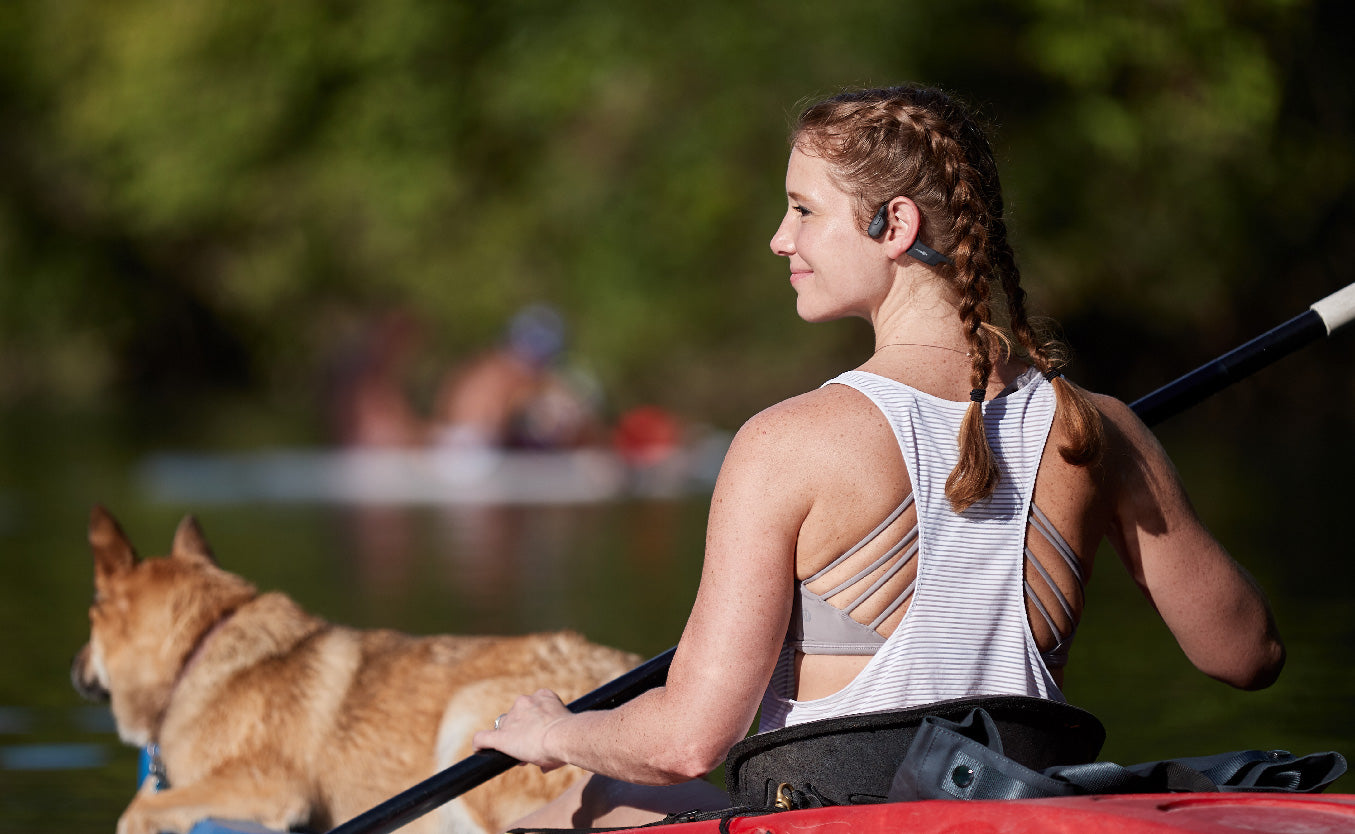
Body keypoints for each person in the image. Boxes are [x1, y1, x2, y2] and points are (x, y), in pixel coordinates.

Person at [472, 84, 1285, 828]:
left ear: (893, 226)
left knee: (570, 806)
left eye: (802, 210)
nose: (777, 238)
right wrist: (1124, 466)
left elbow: (687, 741)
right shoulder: (1098, 430)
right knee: (617, 787)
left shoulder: (785, 443)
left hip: (827, 816)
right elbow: (1246, 655)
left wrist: (558, 731)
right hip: (1025, 818)